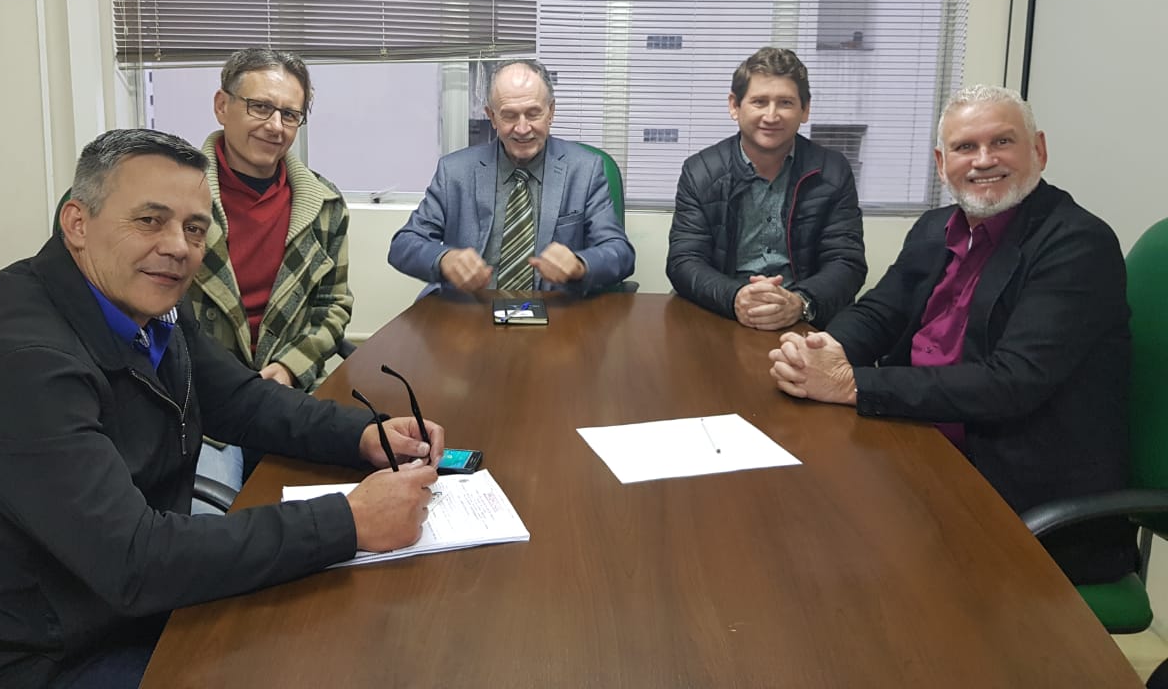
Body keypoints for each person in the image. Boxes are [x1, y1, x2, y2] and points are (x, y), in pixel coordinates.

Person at [0, 129, 442, 689]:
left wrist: (363, 434)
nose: (178, 247)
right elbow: (134, 560)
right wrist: (348, 520)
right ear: (77, 223)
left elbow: (240, 398)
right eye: (150, 220)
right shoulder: (24, 366)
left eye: (194, 228)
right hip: (31, 658)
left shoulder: (146, 306)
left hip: (107, 605)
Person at [768, 85, 1135, 584]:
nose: (983, 160)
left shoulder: (1076, 244)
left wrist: (850, 384)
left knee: (846, 569)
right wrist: (821, 348)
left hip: (1016, 495)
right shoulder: (937, 227)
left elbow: (1010, 382)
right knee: (795, 524)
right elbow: (881, 309)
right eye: (965, 147)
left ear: (1039, 150)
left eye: (1002, 142)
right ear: (942, 164)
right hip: (919, 448)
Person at [187, 48, 353, 494]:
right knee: (210, 518)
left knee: (332, 505)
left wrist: (288, 368)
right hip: (199, 405)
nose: (275, 126)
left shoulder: (324, 204)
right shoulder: (175, 197)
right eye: (260, 107)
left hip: (289, 395)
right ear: (222, 106)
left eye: (290, 115)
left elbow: (333, 306)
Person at [388, 59, 636, 295]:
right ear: (492, 116)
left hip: (553, 310)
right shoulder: (455, 172)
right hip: (470, 307)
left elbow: (620, 253)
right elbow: (404, 244)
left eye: (533, 113)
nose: (522, 128)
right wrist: (444, 259)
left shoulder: (585, 169)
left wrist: (579, 264)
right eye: (509, 115)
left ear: (551, 112)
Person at [667, 47, 866, 330]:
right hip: (723, 313)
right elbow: (684, 261)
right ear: (735, 106)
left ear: (805, 109)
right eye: (759, 102)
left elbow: (846, 262)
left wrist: (799, 302)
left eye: (785, 103)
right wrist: (735, 297)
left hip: (807, 318)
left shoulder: (833, 171)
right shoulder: (701, 172)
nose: (771, 116)